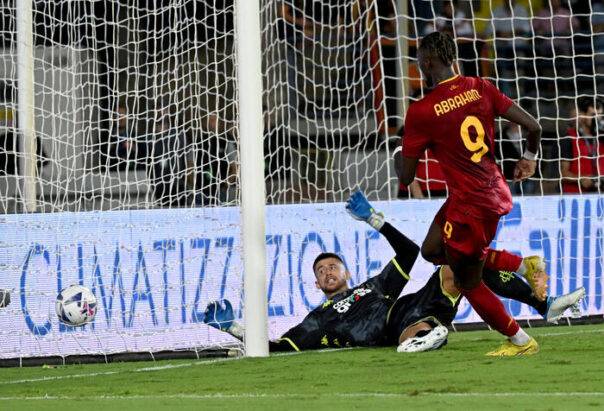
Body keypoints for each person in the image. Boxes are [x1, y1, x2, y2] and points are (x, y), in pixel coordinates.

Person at [204, 191, 584, 354]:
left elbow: (410, 251)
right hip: (387, 332)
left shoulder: (373, 286)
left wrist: (374, 219)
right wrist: (234, 328)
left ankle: (544, 305)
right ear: (316, 284)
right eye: (321, 270)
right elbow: (276, 347)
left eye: (333, 265)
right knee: (410, 328)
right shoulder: (316, 320)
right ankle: (426, 336)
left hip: (404, 307)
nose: (328, 271)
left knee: (461, 262)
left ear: (346, 271)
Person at [395, 31, 543, 355]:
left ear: (428, 62)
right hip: (486, 193)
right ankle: (523, 265)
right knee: (432, 249)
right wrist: (529, 158)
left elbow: (406, 177)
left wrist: (398, 153)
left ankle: (520, 341)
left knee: (467, 281)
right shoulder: (481, 87)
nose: (418, 66)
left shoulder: (422, 111)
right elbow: (534, 127)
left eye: (418, 61)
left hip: (471, 207)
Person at [560, 97, 603, 194]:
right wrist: (580, 179)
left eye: (600, 115)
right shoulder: (569, 138)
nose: (597, 119)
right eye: (593, 115)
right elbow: (562, 173)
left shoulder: (601, 137)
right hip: (576, 197)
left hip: (600, 195)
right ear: (582, 115)